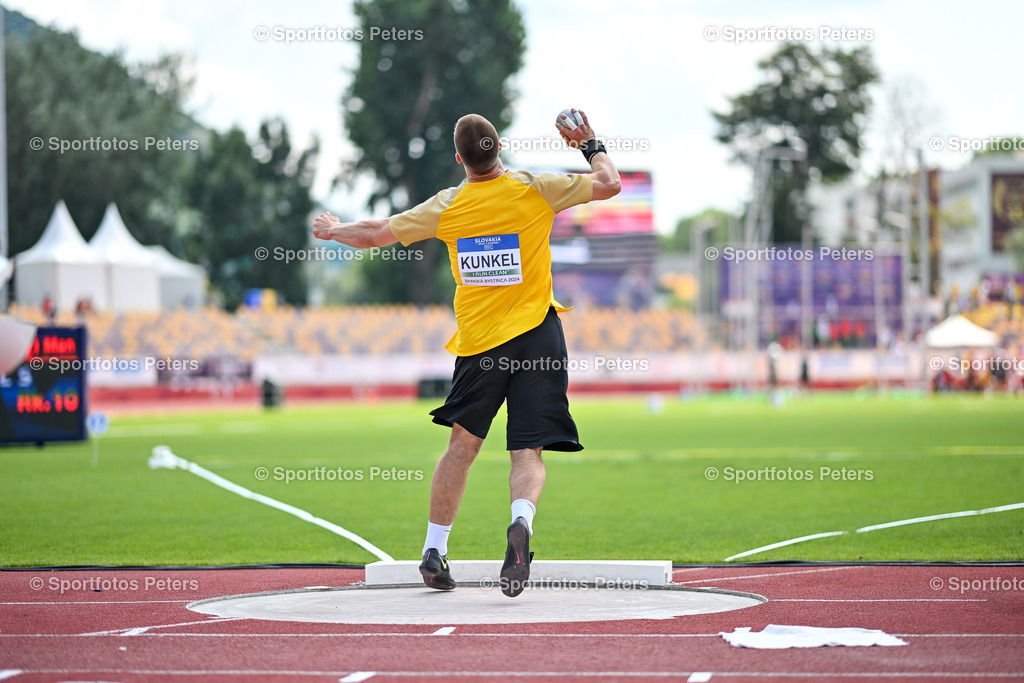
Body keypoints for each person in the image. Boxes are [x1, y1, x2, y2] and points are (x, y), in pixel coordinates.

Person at [312, 109, 620, 597]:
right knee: (527, 451)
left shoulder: (447, 205)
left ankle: (434, 549)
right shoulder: (535, 187)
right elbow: (608, 184)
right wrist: (586, 142)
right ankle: (520, 526)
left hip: (480, 346)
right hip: (539, 334)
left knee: (462, 447)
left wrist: (333, 228)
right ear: (498, 148)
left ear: (459, 158)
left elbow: (372, 234)